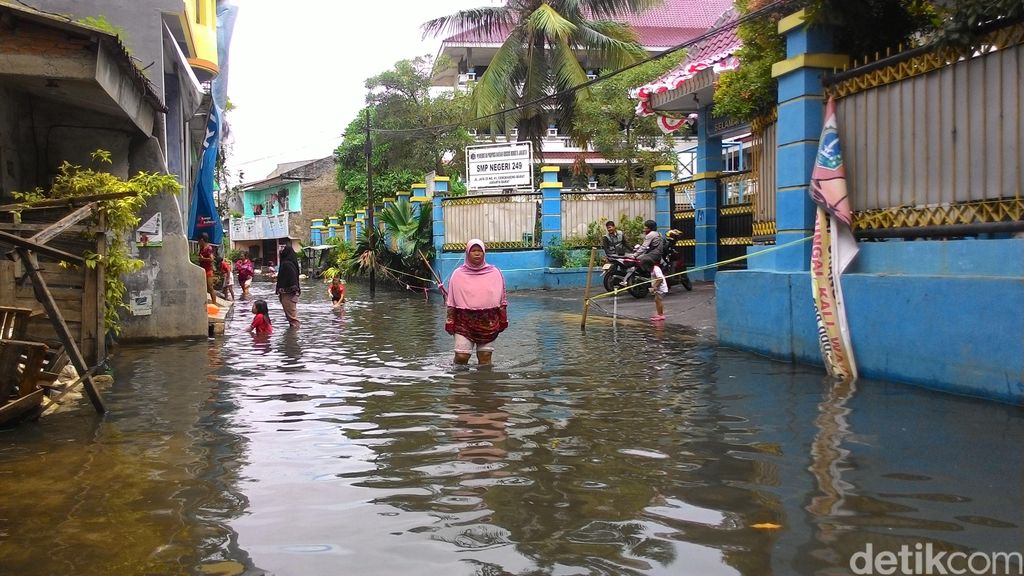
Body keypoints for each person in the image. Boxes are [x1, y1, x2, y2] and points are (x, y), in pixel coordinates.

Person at [444, 239, 508, 365]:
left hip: (488, 320)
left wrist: (503, 319)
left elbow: (502, 298)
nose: (477, 253)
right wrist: (450, 322)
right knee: (462, 356)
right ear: (468, 253)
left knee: (485, 357)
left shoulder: (495, 273)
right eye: (474, 251)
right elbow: (451, 301)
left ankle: (483, 383)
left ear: (484, 253)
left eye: (480, 251)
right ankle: (459, 379)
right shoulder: (458, 274)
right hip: (464, 320)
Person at [275, 243, 301, 327]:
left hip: (288, 294)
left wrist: (294, 291)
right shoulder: (290, 263)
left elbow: (293, 278)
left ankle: (294, 337)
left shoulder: (287, 264)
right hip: (288, 294)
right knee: (291, 317)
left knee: (292, 318)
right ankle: (292, 337)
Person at [197, 233, 218, 306]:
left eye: (199, 241)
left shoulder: (209, 248)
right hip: (202, 270)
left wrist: (203, 259)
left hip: (208, 270)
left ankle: (214, 303)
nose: (198, 243)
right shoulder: (202, 248)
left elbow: (211, 259)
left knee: (210, 287)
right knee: (203, 287)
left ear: (202, 240)